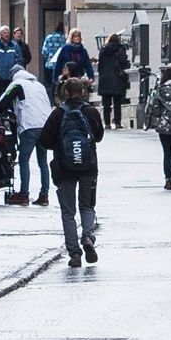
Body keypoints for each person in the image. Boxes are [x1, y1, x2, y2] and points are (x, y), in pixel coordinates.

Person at [44, 68, 106, 269]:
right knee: (87, 206)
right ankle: (87, 237)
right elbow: (98, 136)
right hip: (88, 167)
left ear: (66, 93)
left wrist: (60, 145)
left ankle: (74, 253)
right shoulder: (91, 111)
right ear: (83, 92)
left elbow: (44, 140)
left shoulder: (58, 113)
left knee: (68, 212)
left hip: (64, 168)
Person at [5, 58, 54, 208]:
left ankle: (24, 193)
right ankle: (44, 194)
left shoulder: (16, 84)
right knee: (42, 161)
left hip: (29, 125)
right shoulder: (39, 85)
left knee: (24, 160)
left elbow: (3, 101)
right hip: (45, 125)